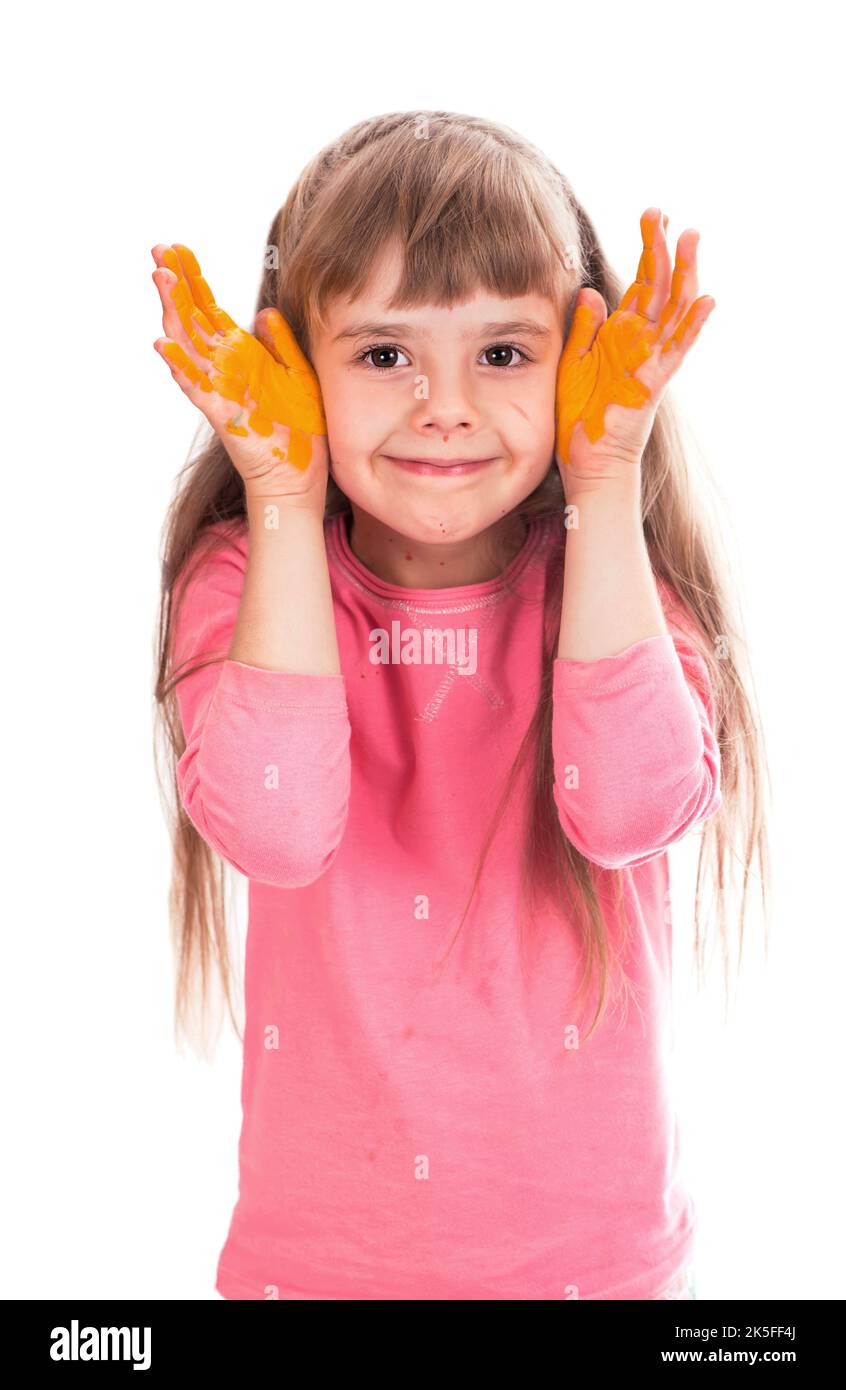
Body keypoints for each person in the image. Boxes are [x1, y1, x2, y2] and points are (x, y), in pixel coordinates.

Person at [151, 111, 770, 1300]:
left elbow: (632, 812)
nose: (445, 405)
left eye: (503, 353)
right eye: (386, 354)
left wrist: (604, 479)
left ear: (575, 363)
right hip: (321, 1277)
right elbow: (276, 831)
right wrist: (282, 496)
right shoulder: (246, 579)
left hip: (602, 1275)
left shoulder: (616, 586)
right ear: (296, 368)